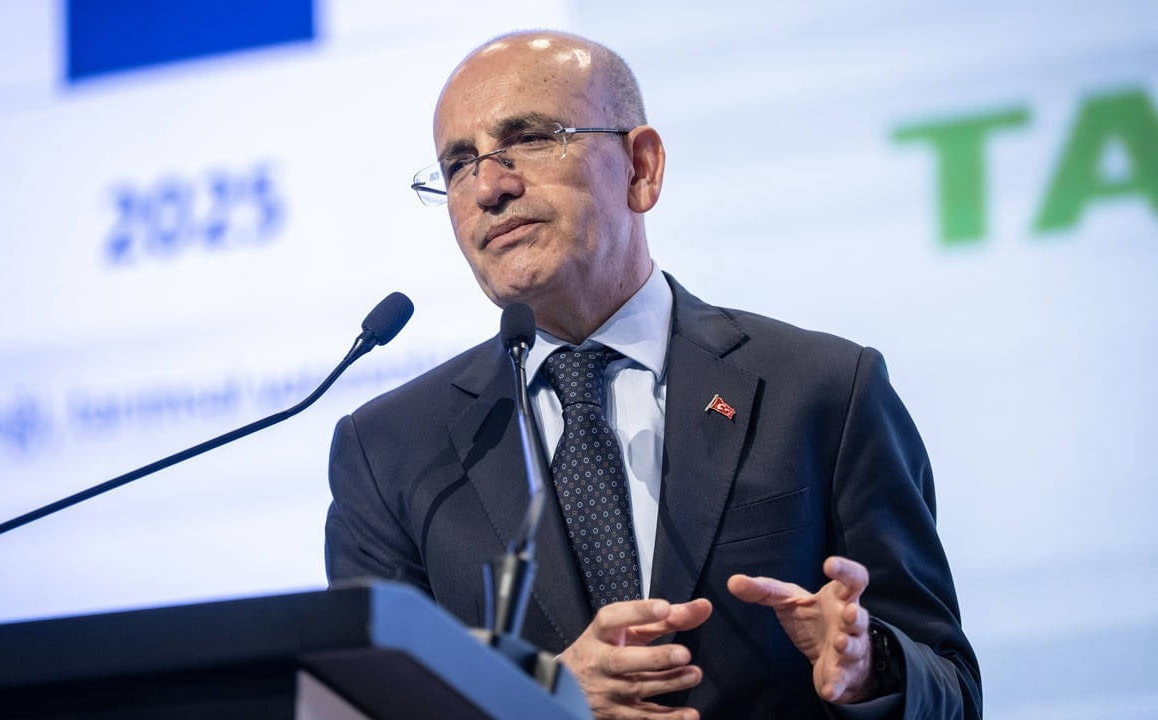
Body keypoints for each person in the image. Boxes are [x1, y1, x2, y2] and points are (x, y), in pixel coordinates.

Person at [326, 30, 980, 720]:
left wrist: (871, 668)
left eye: (532, 139)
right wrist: (534, 700)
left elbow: (954, 690)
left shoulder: (823, 391)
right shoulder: (390, 453)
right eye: (459, 164)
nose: (489, 187)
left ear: (641, 168)